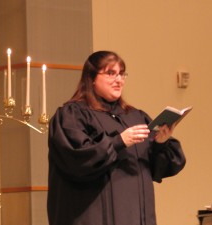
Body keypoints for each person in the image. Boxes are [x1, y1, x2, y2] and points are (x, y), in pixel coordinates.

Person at [47, 50, 186, 225]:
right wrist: (119, 142)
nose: (119, 80)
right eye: (111, 73)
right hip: (92, 216)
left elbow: (159, 166)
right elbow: (77, 159)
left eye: (122, 74)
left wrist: (160, 143)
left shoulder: (135, 116)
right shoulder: (72, 115)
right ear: (91, 78)